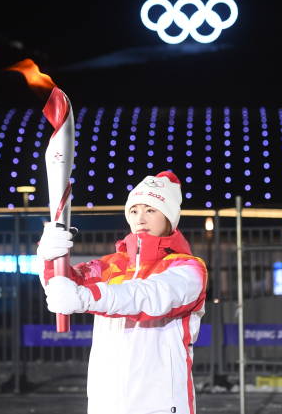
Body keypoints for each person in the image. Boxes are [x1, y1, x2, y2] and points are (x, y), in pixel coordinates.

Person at [36, 171, 208, 414]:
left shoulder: (188, 269)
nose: (141, 218)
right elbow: (63, 286)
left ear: (169, 216)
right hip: (106, 402)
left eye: (151, 210)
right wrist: (49, 257)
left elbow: (147, 297)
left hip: (160, 403)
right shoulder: (109, 266)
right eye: (134, 210)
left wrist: (85, 297)